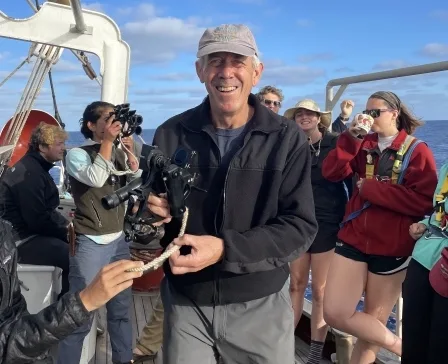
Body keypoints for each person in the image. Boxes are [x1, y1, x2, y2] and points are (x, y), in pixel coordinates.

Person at [145, 23, 318, 364]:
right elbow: (152, 221)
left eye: (237, 61)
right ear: (200, 71)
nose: (226, 72)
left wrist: (224, 248)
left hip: (261, 304)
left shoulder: (287, 139)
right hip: (186, 303)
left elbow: (300, 226)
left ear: (256, 71)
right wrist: (150, 217)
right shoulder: (170, 133)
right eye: (215, 61)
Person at [321, 91, 438, 364]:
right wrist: (350, 138)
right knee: (335, 312)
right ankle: (400, 346)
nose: (369, 117)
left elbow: (425, 202)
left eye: (375, 112)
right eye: (367, 112)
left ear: (394, 114)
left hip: (392, 247)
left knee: (371, 325)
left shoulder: (417, 150)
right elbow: (331, 172)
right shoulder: (362, 143)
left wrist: (374, 190)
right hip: (353, 239)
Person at [56, 101, 140, 364]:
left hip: (118, 241)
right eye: (107, 119)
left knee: (121, 311)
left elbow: (132, 177)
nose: (113, 124)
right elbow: (95, 178)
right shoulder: (77, 155)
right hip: (91, 242)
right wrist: (108, 142)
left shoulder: (114, 150)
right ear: (91, 125)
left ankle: (123, 359)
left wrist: (129, 152)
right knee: (79, 316)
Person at [0, 213, 145, 363]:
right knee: (79, 326)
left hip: (118, 236)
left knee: (121, 311)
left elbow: (15, 313)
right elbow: (37, 218)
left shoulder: (4, 233)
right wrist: (82, 304)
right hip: (87, 238)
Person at [284, 99, 348, 364]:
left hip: (328, 222)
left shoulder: (333, 142)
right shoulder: (292, 146)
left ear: (319, 118)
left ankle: (313, 355)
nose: (304, 117)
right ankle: (284, 345)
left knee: (320, 291)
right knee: (296, 285)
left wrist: (346, 117)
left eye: (310, 113)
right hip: (299, 222)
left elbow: (350, 153)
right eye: (300, 114)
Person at [0, 122, 70, 297]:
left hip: (26, 234)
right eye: (58, 144)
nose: (63, 148)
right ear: (42, 147)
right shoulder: (30, 174)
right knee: (73, 256)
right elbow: (37, 220)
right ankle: (68, 311)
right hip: (19, 241)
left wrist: (68, 226)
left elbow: (44, 213)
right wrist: (66, 233)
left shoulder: (35, 168)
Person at [401, 162, 448, 364]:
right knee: (413, 339)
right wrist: (424, 224)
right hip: (425, 257)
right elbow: (439, 213)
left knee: (441, 346)